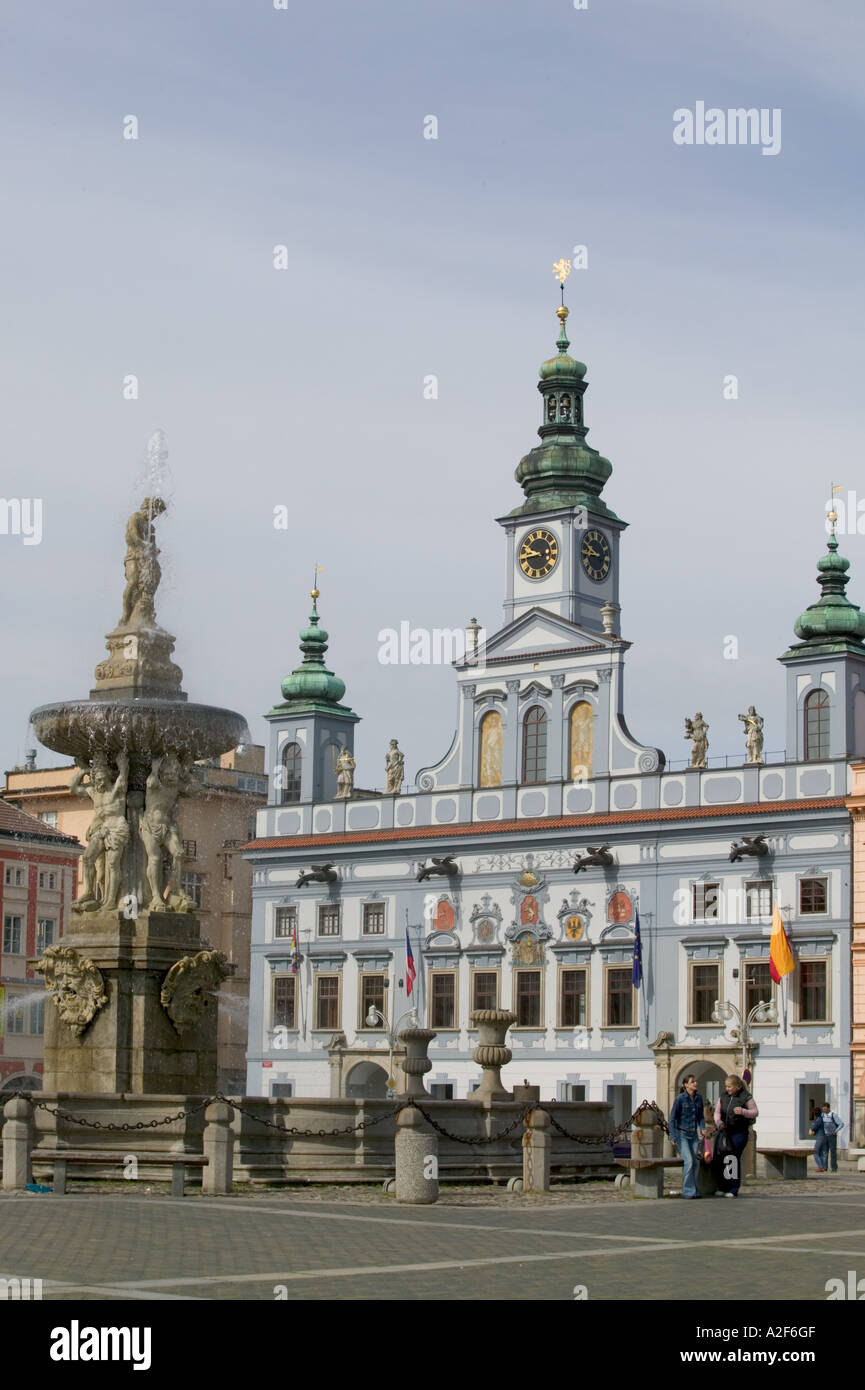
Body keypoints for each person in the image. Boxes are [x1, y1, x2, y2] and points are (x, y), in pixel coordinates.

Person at [713, 1074, 758, 1197]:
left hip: (739, 1133)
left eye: (729, 1086)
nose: (727, 1089)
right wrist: (718, 1122)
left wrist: (743, 1112)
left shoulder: (745, 1097)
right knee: (719, 1158)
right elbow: (717, 1113)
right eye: (726, 1086)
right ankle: (722, 1186)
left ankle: (733, 1188)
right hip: (724, 1132)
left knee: (732, 1158)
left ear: (737, 1087)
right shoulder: (723, 1097)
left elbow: (755, 1112)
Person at [669, 1074, 706, 1199]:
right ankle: (687, 1191)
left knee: (696, 1162)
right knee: (689, 1161)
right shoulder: (680, 1099)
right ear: (686, 1085)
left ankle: (694, 1190)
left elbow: (700, 1116)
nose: (695, 1083)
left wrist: (702, 1128)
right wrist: (673, 1136)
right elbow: (672, 1118)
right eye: (692, 1082)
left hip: (693, 1134)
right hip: (682, 1135)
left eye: (695, 1081)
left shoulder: (699, 1098)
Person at [819, 1103, 845, 1172]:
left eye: (825, 1108)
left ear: (828, 1108)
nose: (824, 1110)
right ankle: (825, 1167)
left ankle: (834, 1168)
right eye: (823, 1109)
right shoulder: (822, 1115)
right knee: (824, 1152)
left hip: (832, 1136)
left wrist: (836, 1131)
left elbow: (841, 1124)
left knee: (833, 1152)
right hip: (824, 1135)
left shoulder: (833, 1115)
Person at [809, 1108, 829, 1172]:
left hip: (820, 1138)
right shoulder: (820, 1119)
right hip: (823, 1137)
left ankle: (820, 1167)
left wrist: (811, 1130)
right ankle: (822, 1167)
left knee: (815, 1152)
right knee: (820, 1153)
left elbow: (813, 1128)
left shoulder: (818, 1120)